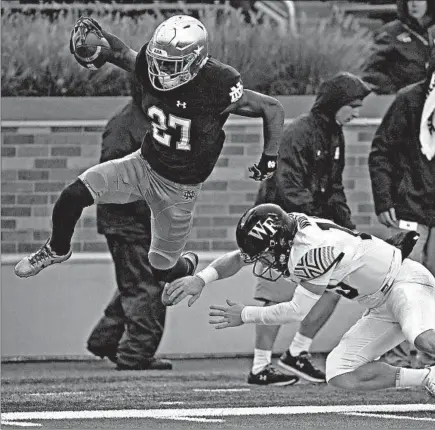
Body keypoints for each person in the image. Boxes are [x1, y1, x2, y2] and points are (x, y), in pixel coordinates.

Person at [14, 15, 283, 285]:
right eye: (158, 60)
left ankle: (188, 263)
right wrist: (100, 41)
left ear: (196, 60)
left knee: (161, 270)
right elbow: (123, 55)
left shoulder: (217, 84)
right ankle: (58, 249)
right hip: (143, 165)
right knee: (72, 195)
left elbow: (271, 108)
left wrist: (269, 159)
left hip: (179, 190)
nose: (161, 70)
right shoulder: (150, 64)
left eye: (171, 64)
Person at [163, 203, 435, 396]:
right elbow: (238, 258)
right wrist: (200, 279)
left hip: (404, 282)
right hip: (378, 305)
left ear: (278, 243)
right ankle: (428, 378)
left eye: (265, 256)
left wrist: (244, 315)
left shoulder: (311, 251)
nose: (263, 263)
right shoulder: (288, 231)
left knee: (421, 338)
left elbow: (295, 311)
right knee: (340, 372)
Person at [246, 72, 371, 386]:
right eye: (353, 106)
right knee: (274, 296)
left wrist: (348, 231)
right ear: (335, 103)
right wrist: (317, 223)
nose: (357, 113)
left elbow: (334, 188)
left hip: (313, 227)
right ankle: (260, 367)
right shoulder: (298, 133)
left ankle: (296, 354)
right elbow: (288, 186)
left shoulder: (334, 134)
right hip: (278, 227)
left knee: (335, 287)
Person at [86, 78, 172, 371]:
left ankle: (107, 340)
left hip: (134, 221)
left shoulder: (141, 122)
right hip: (129, 222)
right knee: (146, 287)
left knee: (137, 283)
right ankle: (135, 354)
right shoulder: (128, 126)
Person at [368, 49, 435, 369]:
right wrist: (385, 200)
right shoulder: (409, 100)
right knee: (403, 284)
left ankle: (428, 357)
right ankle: (394, 356)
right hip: (410, 207)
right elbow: (381, 151)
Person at [362, 0, 435, 95]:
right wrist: (393, 91)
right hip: (405, 100)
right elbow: (369, 70)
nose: (414, 4)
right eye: (409, 0)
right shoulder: (390, 32)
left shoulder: (432, 32)